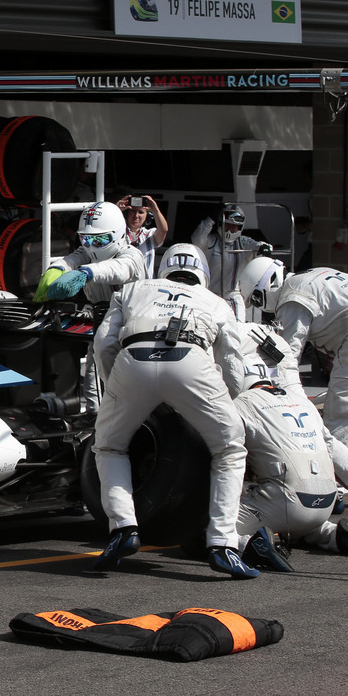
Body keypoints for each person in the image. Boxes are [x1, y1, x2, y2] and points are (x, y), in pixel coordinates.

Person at [91, 243, 256, 577]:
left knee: (109, 445)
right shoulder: (217, 302)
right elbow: (232, 363)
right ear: (203, 274)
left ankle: (122, 528)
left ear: (164, 269)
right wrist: (228, 401)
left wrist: (117, 391)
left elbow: (104, 344)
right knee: (230, 449)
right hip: (190, 358)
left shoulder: (133, 289)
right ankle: (222, 544)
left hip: (133, 357)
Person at [224, 323, 348, 562]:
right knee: (308, 527)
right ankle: (336, 536)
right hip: (323, 505)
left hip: (283, 502)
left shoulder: (240, 404)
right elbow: (334, 449)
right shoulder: (305, 404)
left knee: (209, 529)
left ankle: (250, 545)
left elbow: (224, 457)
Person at [43, 201, 147, 413]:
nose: (91, 245)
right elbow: (73, 258)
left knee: (120, 371)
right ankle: (95, 416)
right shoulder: (87, 252)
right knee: (94, 366)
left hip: (132, 322)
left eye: (99, 239)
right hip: (101, 317)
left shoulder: (132, 255)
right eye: (86, 238)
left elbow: (118, 269)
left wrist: (86, 273)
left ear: (117, 234)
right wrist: (57, 269)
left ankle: (123, 412)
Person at [239, 258, 348, 449]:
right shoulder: (312, 274)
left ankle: (341, 471)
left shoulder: (292, 298)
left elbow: (287, 357)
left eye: (257, 300)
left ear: (268, 284)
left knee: (341, 409)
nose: (261, 307)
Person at [192, 203, 271, 316]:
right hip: (209, 294)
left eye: (235, 227)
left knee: (237, 329)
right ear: (220, 224)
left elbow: (258, 245)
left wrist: (264, 248)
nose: (230, 229)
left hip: (233, 296)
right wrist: (209, 220)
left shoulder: (243, 242)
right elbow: (197, 239)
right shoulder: (210, 241)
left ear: (240, 227)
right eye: (227, 225)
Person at [117, 194, 168, 278]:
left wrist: (155, 209)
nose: (136, 216)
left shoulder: (150, 235)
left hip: (144, 286)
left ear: (146, 216)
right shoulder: (118, 232)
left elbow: (164, 230)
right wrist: (117, 210)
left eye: (141, 212)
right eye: (133, 211)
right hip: (123, 285)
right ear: (127, 213)